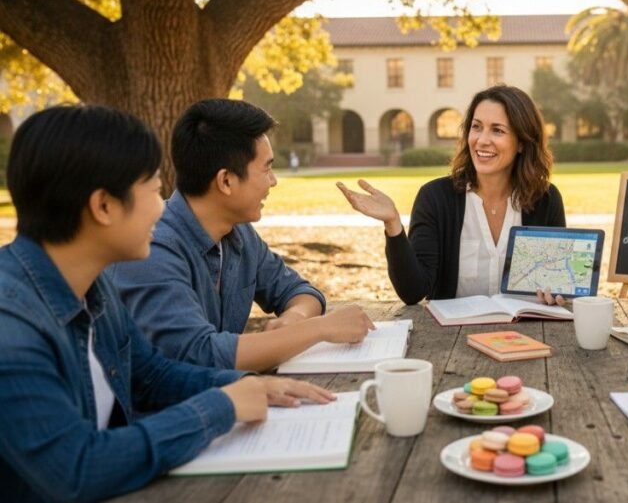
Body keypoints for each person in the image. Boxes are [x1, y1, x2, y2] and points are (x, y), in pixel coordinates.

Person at [0, 105, 335, 502]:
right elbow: (76, 470)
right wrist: (218, 407)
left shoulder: (94, 285)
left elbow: (151, 375)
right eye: (154, 190)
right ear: (104, 206)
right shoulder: (12, 328)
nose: (163, 209)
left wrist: (247, 385)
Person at [110, 99, 373, 371]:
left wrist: (295, 317)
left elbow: (299, 290)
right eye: (267, 169)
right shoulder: (152, 249)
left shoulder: (238, 233)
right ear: (226, 181)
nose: (274, 181)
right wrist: (317, 329)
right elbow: (199, 354)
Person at [338, 85, 566, 305]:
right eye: (476, 127)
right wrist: (393, 223)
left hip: (527, 335)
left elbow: (558, 284)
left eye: (497, 130)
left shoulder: (545, 199)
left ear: (522, 144)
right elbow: (413, 292)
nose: (482, 140)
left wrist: (556, 293)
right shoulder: (435, 198)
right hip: (452, 338)